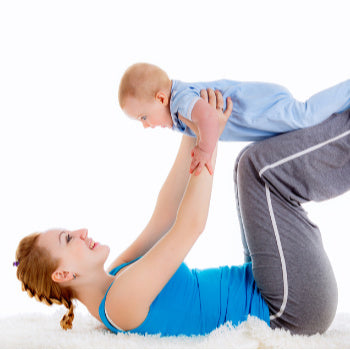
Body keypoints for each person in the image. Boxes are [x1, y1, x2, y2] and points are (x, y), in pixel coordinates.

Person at [15, 89, 348, 337]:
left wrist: (191, 128)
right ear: (63, 275)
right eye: (68, 238)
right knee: (257, 169)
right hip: (290, 308)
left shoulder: (119, 273)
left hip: (269, 286)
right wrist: (209, 142)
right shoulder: (119, 305)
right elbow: (189, 227)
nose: (82, 231)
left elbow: (166, 216)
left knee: (247, 170)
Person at [118, 62, 350, 175]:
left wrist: (204, 150)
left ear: (160, 99)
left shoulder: (179, 102)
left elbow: (209, 117)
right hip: (258, 115)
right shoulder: (179, 108)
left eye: (144, 117)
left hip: (258, 107)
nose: (146, 126)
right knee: (304, 130)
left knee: (305, 115)